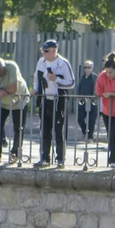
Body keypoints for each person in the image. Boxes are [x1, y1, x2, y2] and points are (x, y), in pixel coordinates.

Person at [34, 39, 74, 167]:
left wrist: (57, 79)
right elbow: (36, 78)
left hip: (58, 101)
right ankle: (44, 157)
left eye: (46, 51)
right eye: (43, 51)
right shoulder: (41, 62)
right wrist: (35, 89)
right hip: (44, 100)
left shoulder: (63, 64)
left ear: (54, 51)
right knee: (45, 129)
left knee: (59, 130)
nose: (44, 54)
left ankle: (60, 159)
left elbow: (71, 83)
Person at [75, 59, 98, 140]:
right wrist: (77, 97)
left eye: (89, 67)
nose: (87, 69)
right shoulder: (82, 77)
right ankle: (85, 132)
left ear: (92, 68)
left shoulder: (95, 77)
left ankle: (90, 137)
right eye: (85, 67)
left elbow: (96, 89)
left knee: (91, 120)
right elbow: (78, 87)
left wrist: (94, 98)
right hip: (82, 101)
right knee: (80, 118)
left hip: (92, 101)